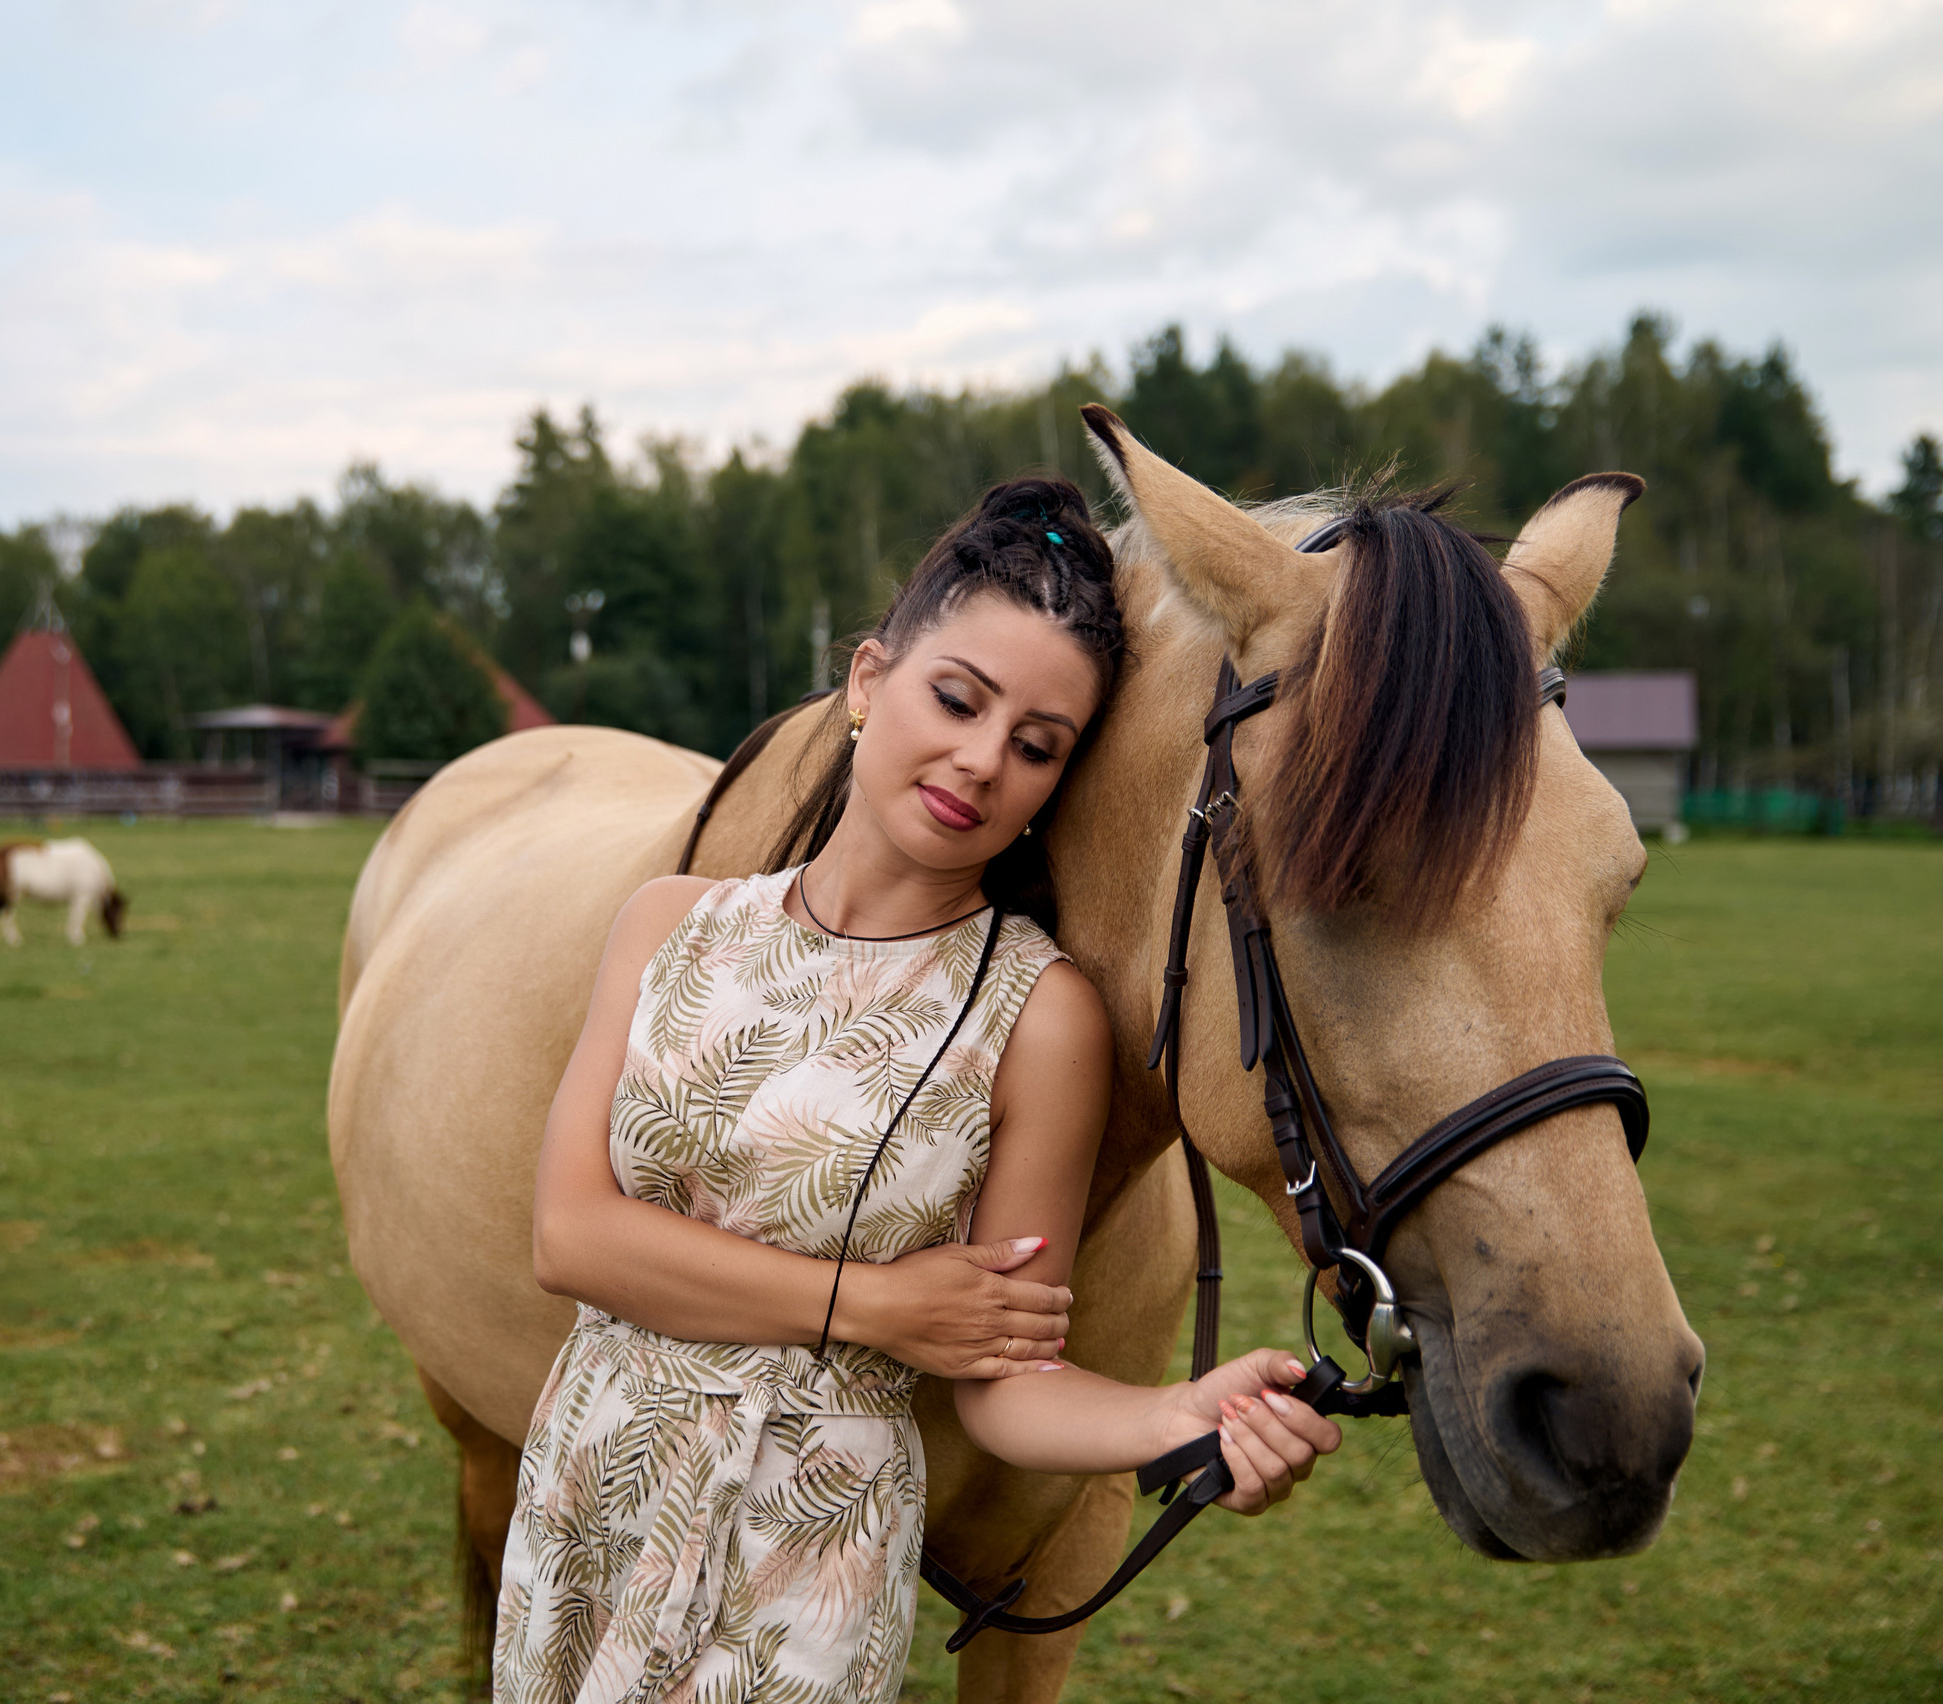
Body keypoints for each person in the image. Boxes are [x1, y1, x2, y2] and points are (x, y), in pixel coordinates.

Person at [498, 477, 1340, 1704]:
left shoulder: (1037, 1015)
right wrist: (875, 1308)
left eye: (1038, 745)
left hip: (807, 1548)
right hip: (591, 1490)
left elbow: (1005, 1386)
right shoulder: (665, 925)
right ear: (864, 681)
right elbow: (568, 1235)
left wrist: (1174, 1415)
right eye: (957, 698)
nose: (981, 759)